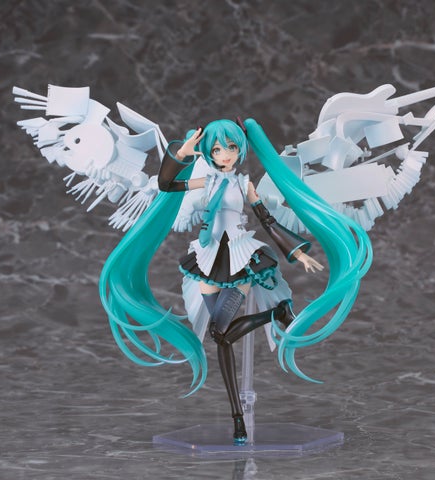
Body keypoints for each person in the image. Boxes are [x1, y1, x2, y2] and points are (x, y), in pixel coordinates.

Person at [100, 118, 372, 444]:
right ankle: (272, 322)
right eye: (217, 149)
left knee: (220, 333)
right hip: (207, 259)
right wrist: (181, 154)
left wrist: (296, 252)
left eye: (230, 147)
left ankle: (239, 416)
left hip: (241, 258)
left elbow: (267, 220)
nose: (225, 154)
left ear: (240, 149)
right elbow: (167, 185)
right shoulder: (205, 181)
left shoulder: (244, 184)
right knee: (222, 338)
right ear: (209, 152)